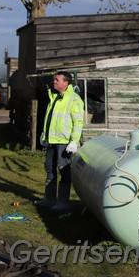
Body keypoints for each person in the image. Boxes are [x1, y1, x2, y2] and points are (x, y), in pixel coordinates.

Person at [35, 71, 84, 212]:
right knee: (49, 169)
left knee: (64, 171)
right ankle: (49, 199)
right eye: (54, 80)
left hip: (64, 142)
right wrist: (45, 135)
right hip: (52, 140)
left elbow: (78, 122)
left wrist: (74, 141)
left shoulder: (74, 99)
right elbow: (50, 119)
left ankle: (63, 202)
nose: (54, 82)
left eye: (57, 80)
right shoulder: (54, 97)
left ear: (66, 83)